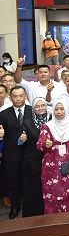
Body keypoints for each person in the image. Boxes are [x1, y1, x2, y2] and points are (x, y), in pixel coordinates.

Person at [37, 99, 69, 214]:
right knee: (53, 195)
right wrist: (46, 144)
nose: (59, 112)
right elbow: (39, 145)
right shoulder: (47, 126)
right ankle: (53, 222)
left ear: (66, 109)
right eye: (56, 109)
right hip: (51, 169)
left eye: (62, 109)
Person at [0, 86, 31, 218]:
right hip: (11, 154)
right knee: (13, 181)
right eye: (15, 96)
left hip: (30, 153)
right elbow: (2, 136)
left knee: (30, 180)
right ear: (10, 97)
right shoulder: (3, 114)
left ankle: (30, 205)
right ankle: (15, 205)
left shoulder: (33, 111)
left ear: (25, 96)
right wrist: (1, 136)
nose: (18, 99)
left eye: (20, 96)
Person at [20, 97, 48, 217]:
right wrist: (21, 140)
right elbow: (21, 141)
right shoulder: (26, 122)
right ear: (33, 109)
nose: (40, 108)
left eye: (43, 105)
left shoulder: (52, 120)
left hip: (50, 161)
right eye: (37, 106)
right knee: (33, 190)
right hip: (32, 162)